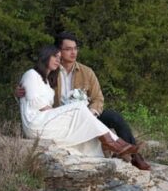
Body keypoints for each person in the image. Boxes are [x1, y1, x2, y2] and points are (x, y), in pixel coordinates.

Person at [16, 33, 151, 170]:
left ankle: (134, 156)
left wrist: (92, 113)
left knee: (114, 117)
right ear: (58, 51)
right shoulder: (50, 72)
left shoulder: (87, 72)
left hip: (87, 115)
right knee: (79, 108)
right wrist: (19, 92)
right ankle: (115, 145)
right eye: (68, 49)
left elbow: (98, 98)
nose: (73, 52)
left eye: (75, 48)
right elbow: (33, 89)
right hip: (59, 118)